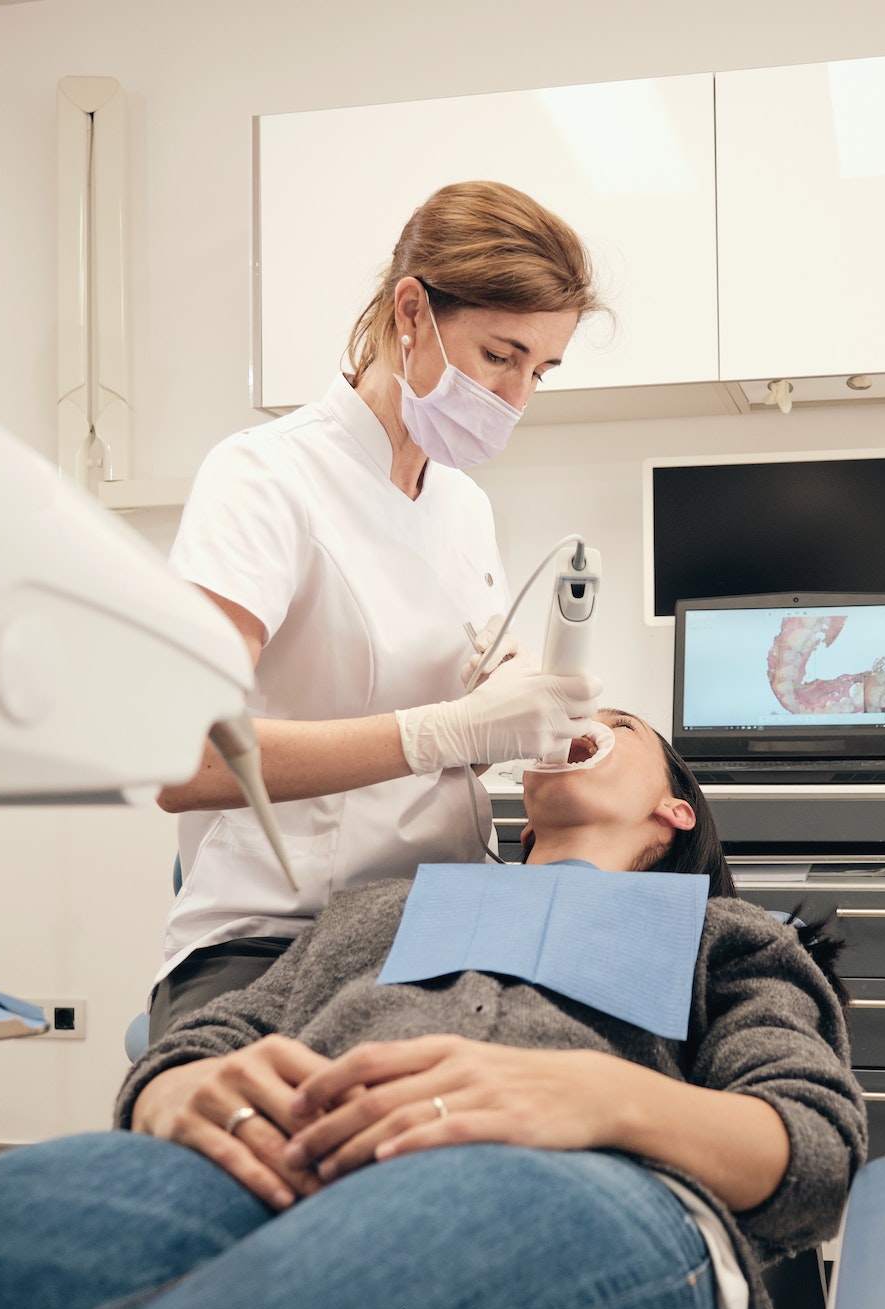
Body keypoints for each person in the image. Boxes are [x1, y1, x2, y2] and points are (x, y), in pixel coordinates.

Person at [0, 711, 864, 1309]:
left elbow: (809, 1152)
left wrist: (595, 1101)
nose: (581, 726)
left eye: (621, 724)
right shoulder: (386, 906)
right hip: (271, 1161)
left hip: (593, 1188)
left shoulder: (718, 937)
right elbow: (208, 1036)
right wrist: (164, 1095)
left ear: (676, 812)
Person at [146, 180, 610, 1041]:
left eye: (539, 370)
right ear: (411, 311)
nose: (517, 400)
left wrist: (517, 714)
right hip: (276, 943)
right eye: (500, 356)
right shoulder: (266, 478)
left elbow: (455, 703)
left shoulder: (465, 507)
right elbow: (179, 757)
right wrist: (445, 731)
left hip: (444, 933)